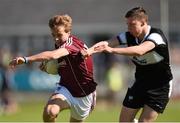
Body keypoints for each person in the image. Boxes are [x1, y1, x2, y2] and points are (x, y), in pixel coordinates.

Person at [83, 7, 173, 122]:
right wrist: (89, 51)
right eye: (127, 24)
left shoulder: (156, 36)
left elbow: (139, 50)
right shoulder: (128, 36)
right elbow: (108, 43)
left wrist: (112, 50)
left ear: (143, 22)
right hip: (140, 83)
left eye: (132, 24)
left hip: (160, 86)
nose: (129, 28)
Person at [9, 14, 97, 122]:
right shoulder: (61, 44)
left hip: (84, 94)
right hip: (67, 88)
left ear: (68, 32)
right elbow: (64, 64)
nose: (56, 38)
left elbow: (53, 55)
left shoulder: (72, 44)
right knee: (49, 111)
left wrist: (27, 59)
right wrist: (48, 67)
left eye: (59, 35)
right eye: (53, 35)